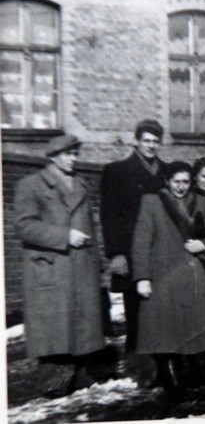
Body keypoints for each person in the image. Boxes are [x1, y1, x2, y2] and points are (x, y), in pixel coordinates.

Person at [14, 134, 105, 398]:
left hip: (80, 265)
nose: (73, 159)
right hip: (52, 266)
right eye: (67, 154)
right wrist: (64, 236)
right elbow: (24, 226)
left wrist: (96, 263)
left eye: (75, 154)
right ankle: (54, 381)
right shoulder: (31, 185)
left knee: (80, 324)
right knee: (55, 329)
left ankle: (79, 374)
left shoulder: (81, 185)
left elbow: (92, 228)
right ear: (53, 157)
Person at [131, 161, 205, 399]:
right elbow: (141, 242)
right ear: (167, 182)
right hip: (162, 274)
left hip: (190, 273)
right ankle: (171, 378)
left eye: (185, 182)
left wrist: (202, 244)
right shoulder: (152, 202)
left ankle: (191, 378)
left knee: (190, 328)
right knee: (165, 329)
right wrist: (142, 277)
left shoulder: (199, 202)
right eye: (176, 182)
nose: (181, 187)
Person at [100, 118, 166, 386]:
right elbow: (109, 215)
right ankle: (140, 371)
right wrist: (116, 253)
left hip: (160, 253)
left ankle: (164, 367)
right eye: (146, 141)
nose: (151, 146)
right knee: (136, 313)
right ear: (137, 141)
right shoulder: (117, 171)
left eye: (155, 141)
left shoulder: (166, 171)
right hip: (130, 253)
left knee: (160, 311)